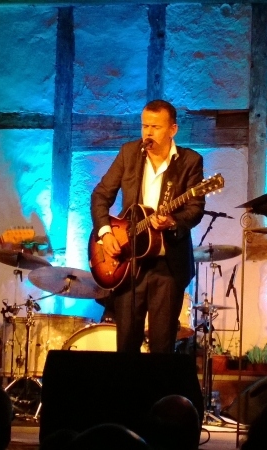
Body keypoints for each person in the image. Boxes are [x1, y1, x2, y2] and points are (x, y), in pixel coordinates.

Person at [90, 100, 205, 354]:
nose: (148, 133)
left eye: (155, 127)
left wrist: (172, 221)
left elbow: (195, 209)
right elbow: (100, 195)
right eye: (145, 126)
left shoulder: (190, 161)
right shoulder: (129, 153)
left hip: (167, 265)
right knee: (126, 347)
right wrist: (105, 233)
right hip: (129, 263)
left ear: (173, 129)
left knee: (162, 348)